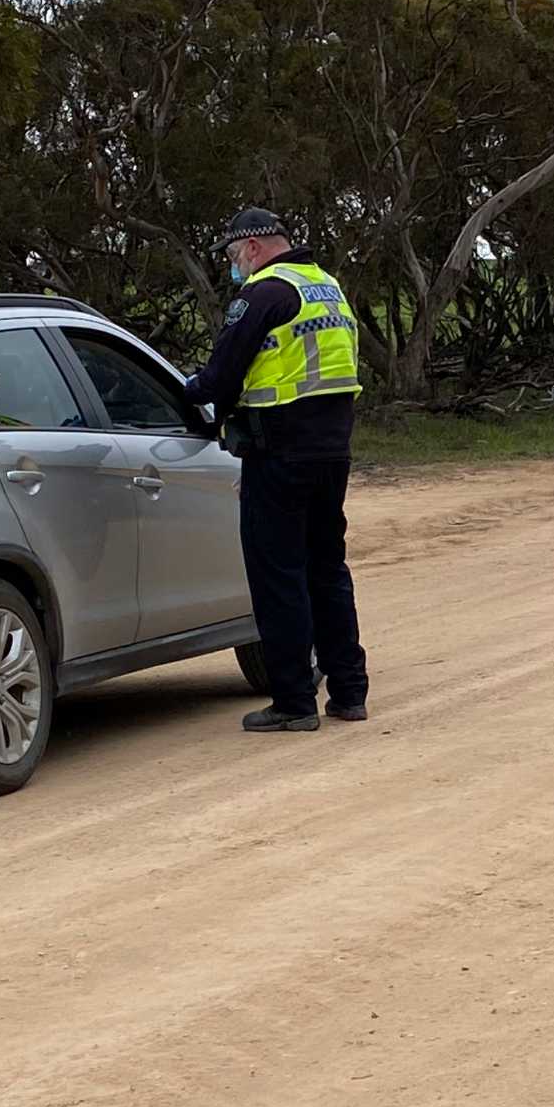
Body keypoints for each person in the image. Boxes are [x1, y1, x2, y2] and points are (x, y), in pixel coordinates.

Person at [180, 207, 371, 733]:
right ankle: (349, 692)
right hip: (332, 452)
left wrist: (186, 392)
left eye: (233, 255)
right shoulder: (326, 287)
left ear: (254, 247)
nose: (233, 265)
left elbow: (221, 375)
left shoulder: (263, 294)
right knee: (327, 570)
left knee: (278, 576)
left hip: (279, 452)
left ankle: (293, 701)